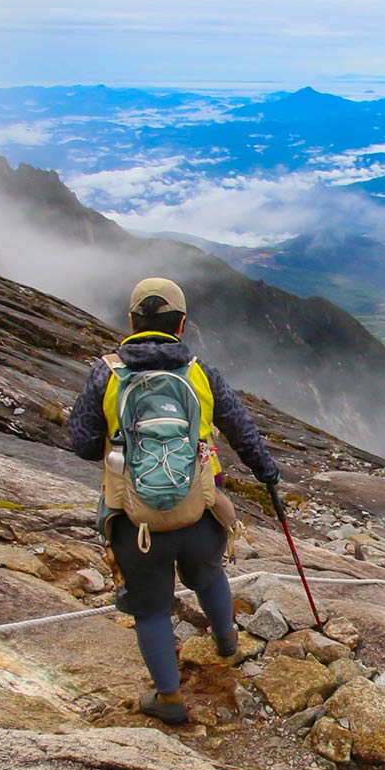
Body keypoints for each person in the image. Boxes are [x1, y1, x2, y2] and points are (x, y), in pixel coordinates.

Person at [69, 277, 282, 723]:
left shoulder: (106, 373)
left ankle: (169, 700)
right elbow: (242, 430)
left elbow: (83, 442)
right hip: (200, 509)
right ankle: (226, 642)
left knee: (149, 607)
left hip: (135, 518)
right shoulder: (201, 372)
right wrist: (268, 476)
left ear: (132, 322)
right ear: (181, 324)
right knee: (207, 575)